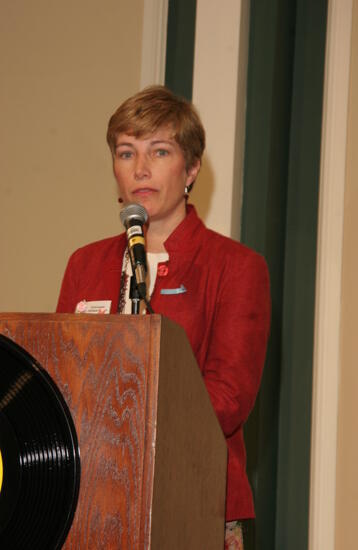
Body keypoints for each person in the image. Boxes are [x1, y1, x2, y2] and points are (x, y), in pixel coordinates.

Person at [57, 85, 271, 549]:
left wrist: (130, 429)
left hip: (195, 496)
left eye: (160, 150)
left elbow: (229, 396)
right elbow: (63, 377)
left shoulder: (235, 266)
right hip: (95, 497)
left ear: (191, 168)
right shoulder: (84, 264)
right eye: (126, 152)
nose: (140, 168)